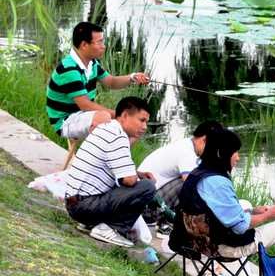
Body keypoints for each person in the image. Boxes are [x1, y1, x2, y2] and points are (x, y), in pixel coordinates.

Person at [170, 127, 275, 264]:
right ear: (221, 153)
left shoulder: (197, 173)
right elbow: (240, 227)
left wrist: (254, 211)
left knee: (246, 204)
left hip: (195, 243)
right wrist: (269, 215)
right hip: (222, 248)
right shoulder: (218, 183)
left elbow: (216, 211)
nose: (238, 158)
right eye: (235, 152)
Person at [65, 96, 156, 247]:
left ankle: (91, 224)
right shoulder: (117, 137)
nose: (145, 127)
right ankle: (111, 228)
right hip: (83, 206)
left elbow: (119, 168)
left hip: (75, 203)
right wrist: (137, 178)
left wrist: (137, 173)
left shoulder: (107, 129)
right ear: (125, 115)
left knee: (136, 181)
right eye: (142, 120)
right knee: (147, 187)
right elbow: (128, 180)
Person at [45, 21, 151, 142]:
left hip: (83, 115)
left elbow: (111, 82)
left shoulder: (92, 63)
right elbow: (85, 104)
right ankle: (97, 159)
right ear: (84, 45)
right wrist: (118, 115)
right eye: (99, 42)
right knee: (104, 117)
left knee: (134, 127)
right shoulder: (69, 69)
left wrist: (133, 77)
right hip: (65, 121)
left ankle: (117, 159)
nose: (103, 46)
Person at [139, 120, 222, 225]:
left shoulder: (187, 144)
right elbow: (195, 186)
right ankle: (168, 221)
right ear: (204, 140)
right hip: (145, 209)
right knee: (190, 184)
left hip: (146, 199)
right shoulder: (187, 153)